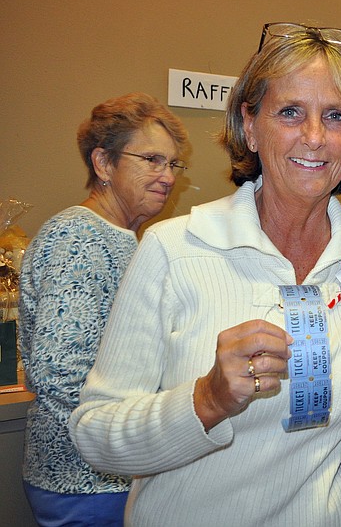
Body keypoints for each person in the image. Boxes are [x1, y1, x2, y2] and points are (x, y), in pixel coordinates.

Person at [69, 23, 341, 525]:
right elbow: (94, 434)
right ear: (250, 126)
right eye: (290, 112)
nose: (314, 137)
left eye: (335, 116)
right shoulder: (175, 250)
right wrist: (207, 399)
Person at [18, 92, 189, 526]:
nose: (167, 176)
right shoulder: (78, 237)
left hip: (113, 479)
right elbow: (59, 372)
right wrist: (141, 434)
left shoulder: (126, 238)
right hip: (86, 484)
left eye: (173, 163)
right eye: (151, 160)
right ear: (103, 163)